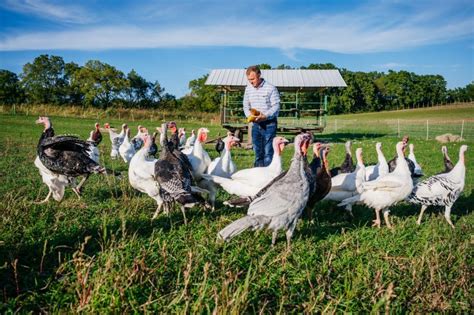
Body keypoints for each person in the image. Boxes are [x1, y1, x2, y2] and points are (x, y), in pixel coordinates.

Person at [243, 65, 280, 167]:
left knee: (268, 152)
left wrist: (265, 115)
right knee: (257, 152)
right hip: (255, 124)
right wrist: (249, 116)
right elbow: (246, 106)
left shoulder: (271, 88)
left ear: (259, 75)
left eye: (253, 79)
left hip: (269, 124)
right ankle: (258, 176)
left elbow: (276, 106)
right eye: (249, 79)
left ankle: (269, 178)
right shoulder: (248, 89)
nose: (251, 82)